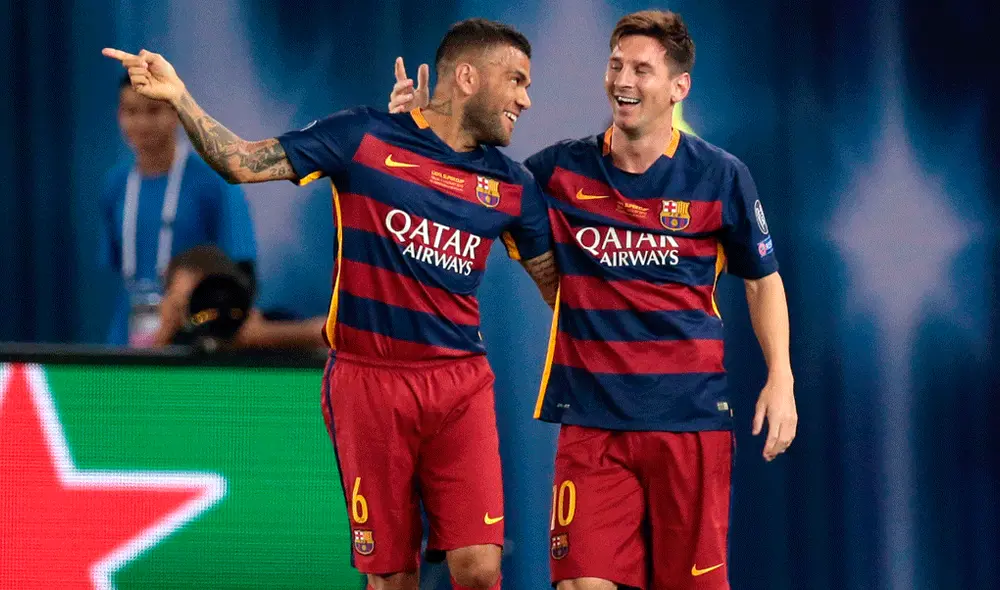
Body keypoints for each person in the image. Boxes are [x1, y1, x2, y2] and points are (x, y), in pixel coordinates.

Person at [104, 17, 557, 590]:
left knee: (480, 567)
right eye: (515, 80)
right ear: (468, 77)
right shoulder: (365, 138)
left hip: (460, 384)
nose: (525, 98)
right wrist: (181, 98)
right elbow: (242, 162)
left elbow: (556, 286)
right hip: (368, 383)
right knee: (392, 576)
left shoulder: (513, 185)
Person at [389, 10, 797, 590]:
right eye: (615, 65)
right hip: (592, 425)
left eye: (641, 70)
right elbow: (462, 192)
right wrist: (414, 135)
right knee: (581, 583)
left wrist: (780, 378)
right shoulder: (558, 171)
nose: (622, 81)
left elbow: (763, 281)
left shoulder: (721, 176)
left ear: (679, 87)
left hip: (691, 423)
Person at [98, 74, 257, 347]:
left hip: (193, 341)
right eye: (131, 112)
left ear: (176, 113)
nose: (142, 123)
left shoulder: (213, 182)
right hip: (127, 339)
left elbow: (241, 271)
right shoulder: (115, 185)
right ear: (119, 115)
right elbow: (116, 264)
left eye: (154, 110)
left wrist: (191, 290)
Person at [156, 244, 326, 350]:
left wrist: (264, 335)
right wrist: (165, 334)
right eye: (185, 304)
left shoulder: (264, 324)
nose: (203, 314)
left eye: (206, 296)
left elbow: (328, 334)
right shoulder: (177, 340)